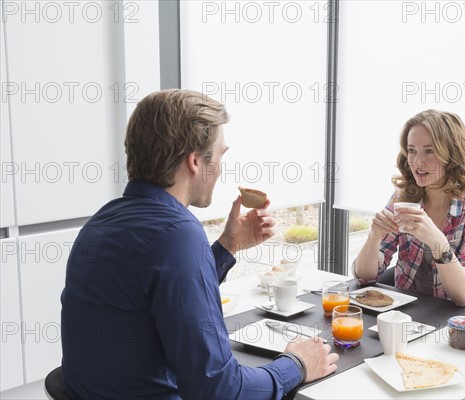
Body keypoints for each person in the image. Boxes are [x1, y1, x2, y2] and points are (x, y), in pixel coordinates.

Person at [60, 89, 338, 399]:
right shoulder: (177, 234)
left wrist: (228, 245)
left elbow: (158, 298)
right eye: (220, 155)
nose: (220, 167)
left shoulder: (103, 221)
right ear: (194, 161)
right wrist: (296, 365)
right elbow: (219, 390)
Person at [353, 110, 465, 307]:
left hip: (464, 323)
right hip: (410, 316)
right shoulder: (403, 197)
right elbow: (364, 278)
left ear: (452, 154)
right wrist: (374, 236)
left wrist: (436, 240)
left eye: (429, 151)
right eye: (412, 150)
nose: (417, 162)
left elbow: (463, 296)